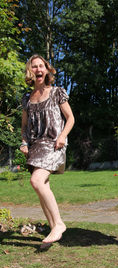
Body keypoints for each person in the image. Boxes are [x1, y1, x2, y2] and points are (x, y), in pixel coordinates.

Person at [20, 54, 75, 248]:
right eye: (34, 67)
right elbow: (24, 126)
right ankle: (54, 230)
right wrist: (24, 142)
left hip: (53, 143)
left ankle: (59, 224)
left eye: (41, 66)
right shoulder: (27, 99)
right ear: (30, 71)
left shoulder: (57, 92)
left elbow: (70, 118)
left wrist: (62, 137)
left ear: (46, 69)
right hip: (35, 146)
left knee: (36, 181)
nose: (38, 70)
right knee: (43, 187)